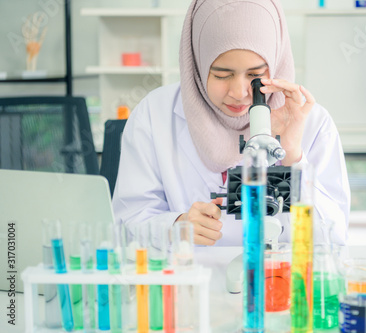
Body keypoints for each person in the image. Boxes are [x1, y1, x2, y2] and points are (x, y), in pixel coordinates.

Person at [112, 0, 350, 246]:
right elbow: (125, 226)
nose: (239, 92)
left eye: (255, 75)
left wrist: (293, 157)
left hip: (276, 278)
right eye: (221, 75)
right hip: (190, 277)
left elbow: (333, 237)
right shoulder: (154, 115)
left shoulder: (312, 122)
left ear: (276, 61)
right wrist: (176, 227)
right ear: (197, 63)